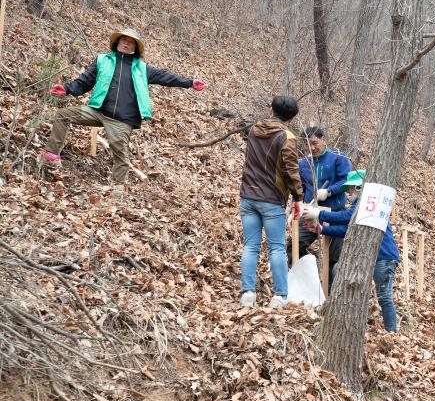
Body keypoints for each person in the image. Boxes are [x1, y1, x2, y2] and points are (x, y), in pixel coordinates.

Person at [41, 28, 206, 184]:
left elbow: (166, 77)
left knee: (121, 157)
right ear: (117, 42)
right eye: (123, 40)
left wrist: (190, 83)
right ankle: (52, 155)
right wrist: (67, 89)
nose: (126, 43)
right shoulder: (102, 61)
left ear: (136, 48)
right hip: (97, 111)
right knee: (63, 114)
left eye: (131, 42)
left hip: (122, 120)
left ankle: (117, 191)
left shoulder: (142, 69)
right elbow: (84, 81)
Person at [302, 170, 400, 332]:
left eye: (351, 188)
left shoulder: (367, 206)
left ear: (360, 187)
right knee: (338, 269)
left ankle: (392, 332)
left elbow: (346, 216)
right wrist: (322, 229)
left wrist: (319, 213)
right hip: (369, 258)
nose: (349, 193)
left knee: (384, 296)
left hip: (383, 257)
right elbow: (347, 230)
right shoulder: (361, 207)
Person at [239, 96, 303, 308]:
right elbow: (291, 171)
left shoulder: (254, 130)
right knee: (276, 248)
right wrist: (298, 198)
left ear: (270, 110)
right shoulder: (287, 137)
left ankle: (248, 294)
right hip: (272, 199)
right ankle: (280, 296)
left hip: (248, 195)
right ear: (291, 119)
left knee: (250, 246)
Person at [293, 126, 352, 259]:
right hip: (310, 212)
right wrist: (295, 208)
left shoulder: (338, 158)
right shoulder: (303, 164)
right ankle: (307, 269)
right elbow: (299, 189)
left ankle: (329, 273)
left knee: (334, 256)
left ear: (323, 139)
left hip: (334, 213)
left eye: (314, 143)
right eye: (308, 145)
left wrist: (329, 191)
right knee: (295, 245)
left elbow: (346, 181)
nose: (312, 148)